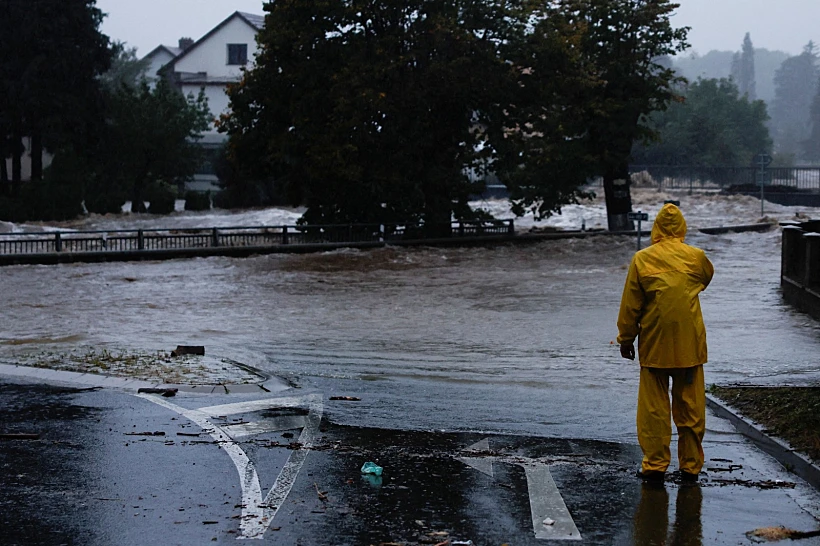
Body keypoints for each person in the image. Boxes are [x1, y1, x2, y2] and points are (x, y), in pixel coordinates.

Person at [617, 203, 714, 483]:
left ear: (656, 228)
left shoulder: (642, 259)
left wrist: (626, 339)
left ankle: (655, 465)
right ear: (682, 227)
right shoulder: (696, 257)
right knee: (691, 408)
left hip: (655, 343)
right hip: (689, 344)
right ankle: (691, 466)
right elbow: (706, 279)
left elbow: (631, 307)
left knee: (654, 410)